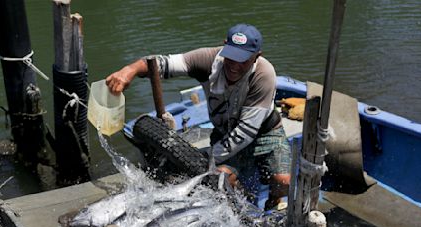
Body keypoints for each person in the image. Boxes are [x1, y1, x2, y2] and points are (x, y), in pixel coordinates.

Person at [106, 24, 291, 211]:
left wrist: (205, 157)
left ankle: (273, 202)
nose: (234, 66)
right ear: (224, 46)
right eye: (231, 57)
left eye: (242, 60)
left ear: (256, 56)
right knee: (222, 181)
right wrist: (130, 70)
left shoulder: (264, 74)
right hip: (225, 132)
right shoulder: (209, 60)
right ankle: (242, 206)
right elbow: (162, 63)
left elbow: (246, 132)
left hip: (265, 132)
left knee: (283, 181)